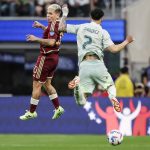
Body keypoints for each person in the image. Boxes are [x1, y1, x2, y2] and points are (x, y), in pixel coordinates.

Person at [61, 7, 134, 112]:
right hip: (97, 63)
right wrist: (127, 41)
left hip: (84, 65)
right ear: (102, 18)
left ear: (90, 17)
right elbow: (114, 49)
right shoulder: (103, 32)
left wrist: (64, 14)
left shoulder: (81, 27)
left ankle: (78, 84)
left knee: (81, 102)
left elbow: (61, 27)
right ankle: (113, 98)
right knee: (110, 86)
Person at [19, 4, 66, 120]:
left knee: (36, 84)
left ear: (57, 14)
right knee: (47, 84)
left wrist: (36, 39)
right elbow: (52, 35)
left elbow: (51, 42)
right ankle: (58, 107)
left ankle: (32, 111)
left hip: (46, 58)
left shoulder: (53, 25)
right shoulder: (57, 24)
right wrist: (42, 27)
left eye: (50, 13)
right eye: (47, 13)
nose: (48, 16)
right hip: (54, 58)